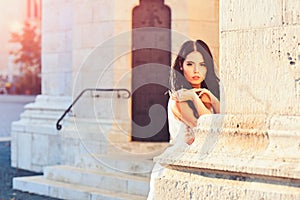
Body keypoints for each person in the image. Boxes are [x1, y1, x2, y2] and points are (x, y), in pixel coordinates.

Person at [147, 39, 220, 199]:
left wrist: (213, 99)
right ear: (181, 65)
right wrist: (194, 97)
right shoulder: (178, 98)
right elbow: (207, 127)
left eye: (202, 64)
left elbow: (225, 122)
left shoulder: (210, 94)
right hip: (183, 159)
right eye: (190, 64)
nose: (196, 70)